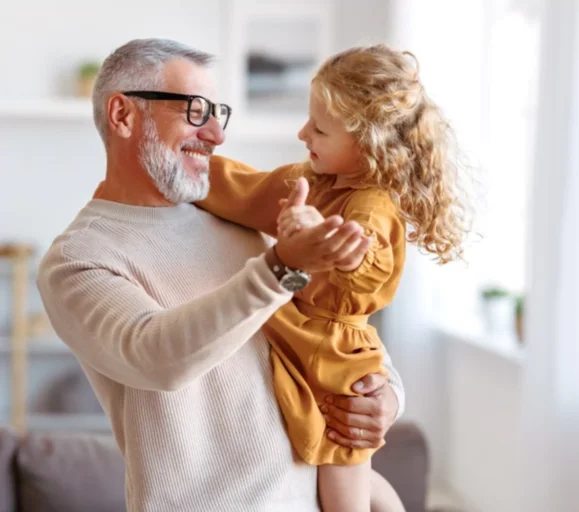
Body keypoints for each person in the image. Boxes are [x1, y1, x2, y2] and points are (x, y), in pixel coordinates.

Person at [36, 38, 405, 512]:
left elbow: (336, 324)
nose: (215, 134)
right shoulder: (79, 258)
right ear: (123, 115)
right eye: (194, 111)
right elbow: (158, 356)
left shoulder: (244, 218)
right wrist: (282, 265)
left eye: (218, 113)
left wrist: (387, 396)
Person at [197, 44, 469, 512]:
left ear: (368, 143)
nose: (303, 133)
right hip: (300, 331)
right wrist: (190, 169)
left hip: (338, 360)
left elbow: (364, 268)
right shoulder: (313, 180)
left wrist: (321, 241)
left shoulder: (371, 205)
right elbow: (246, 189)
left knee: (344, 487)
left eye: (319, 129)